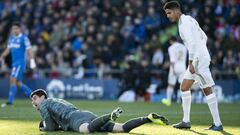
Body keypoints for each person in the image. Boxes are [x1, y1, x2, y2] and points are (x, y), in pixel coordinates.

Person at [163, 1, 223, 131]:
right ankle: (186, 121)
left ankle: (217, 124)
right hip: (200, 57)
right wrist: (203, 51)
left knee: (206, 89)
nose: (168, 16)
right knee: (185, 87)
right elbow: (204, 37)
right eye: (166, 14)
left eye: (169, 13)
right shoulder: (189, 20)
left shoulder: (184, 23)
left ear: (177, 10)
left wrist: (192, 61)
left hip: (197, 60)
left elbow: (193, 44)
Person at [31, 89, 169, 133]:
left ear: (43, 97)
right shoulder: (56, 100)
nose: (34, 103)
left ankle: (109, 115)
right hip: (86, 114)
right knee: (122, 129)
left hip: (74, 118)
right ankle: (149, 118)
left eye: (35, 99)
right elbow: (55, 124)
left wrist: (43, 128)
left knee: (87, 130)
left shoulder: (44, 104)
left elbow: (50, 127)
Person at [0, 22, 36, 107]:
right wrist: (1, 57)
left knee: (12, 79)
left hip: (20, 63)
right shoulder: (11, 39)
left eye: (16, 28)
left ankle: (10, 102)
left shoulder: (24, 38)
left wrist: (32, 62)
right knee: (18, 83)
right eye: (13, 29)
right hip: (14, 64)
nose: (14, 30)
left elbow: (29, 50)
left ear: (19, 29)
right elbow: (8, 49)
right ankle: (34, 97)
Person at [162, 36, 187, 106]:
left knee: (171, 84)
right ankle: (183, 102)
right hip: (183, 67)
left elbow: (172, 60)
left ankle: (168, 101)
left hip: (175, 67)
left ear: (171, 41)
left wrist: (173, 70)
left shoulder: (171, 48)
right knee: (183, 85)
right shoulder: (184, 47)